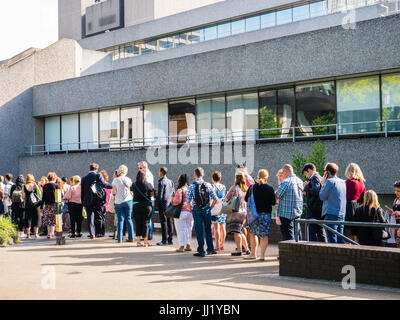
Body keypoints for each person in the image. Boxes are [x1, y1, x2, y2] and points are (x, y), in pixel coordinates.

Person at [186, 167, 218, 257]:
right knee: (208, 229)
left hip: (197, 210)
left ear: (195, 174)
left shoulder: (192, 186)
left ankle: (201, 251)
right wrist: (210, 208)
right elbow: (215, 199)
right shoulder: (208, 185)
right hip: (207, 209)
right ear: (202, 174)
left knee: (199, 230)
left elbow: (188, 201)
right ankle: (210, 249)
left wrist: (191, 209)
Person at [245, 169, 276, 260]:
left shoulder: (252, 187)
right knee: (264, 235)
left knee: (253, 234)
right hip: (265, 215)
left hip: (254, 215)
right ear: (267, 177)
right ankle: (262, 256)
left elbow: (247, 199)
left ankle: (253, 254)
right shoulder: (270, 188)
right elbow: (273, 202)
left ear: (258, 176)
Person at [81, 163, 112, 239]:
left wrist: (83, 202)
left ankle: (92, 234)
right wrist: (113, 186)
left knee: (90, 217)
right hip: (98, 199)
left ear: (89, 169)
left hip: (88, 200)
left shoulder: (84, 178)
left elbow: (82, 192)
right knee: (99, 216)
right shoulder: (98, 175)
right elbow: (104, 184)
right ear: (96, 169)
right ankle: (99, 233)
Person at [319, 163, 347, 244]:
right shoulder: (343, 182)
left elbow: (322, 196)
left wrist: (322, 184)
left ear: (327, 172)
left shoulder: (329, 182)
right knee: (340, 239)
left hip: (331, 214)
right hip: (341, 214)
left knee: (332, 241)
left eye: (324, 171)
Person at [275, 164, 304, 241]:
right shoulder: (300, 181)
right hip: (297, 212)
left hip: (286, 213)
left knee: (288, 236)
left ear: (285, 171)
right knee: (297, 233)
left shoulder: (286, 182)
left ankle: (291, 252)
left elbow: (277, 195)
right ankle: (299, 249)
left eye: (283, 173)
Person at [225, 172, 250, 256]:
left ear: (236, 178)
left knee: (237, 232)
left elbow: (226, 198)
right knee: (240, 231)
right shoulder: (246, 188)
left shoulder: (234, 188)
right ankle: (246, 249)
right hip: (244, 212)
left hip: (236, 212)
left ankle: (239, 251)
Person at [302, 163, 326, 242]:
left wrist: (306, 187)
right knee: (319, 231)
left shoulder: (314, 177)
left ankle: (312, 249)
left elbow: (316, 191)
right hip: (317, 209)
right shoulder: (318, 177)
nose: (306, 176)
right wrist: (307, 191)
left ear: (309, 170)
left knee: (312, 232)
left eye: (306, 174)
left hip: (314, 210)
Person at [131, 170, 154, 247]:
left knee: (137, 223)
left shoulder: (134, 184)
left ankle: (138, 242)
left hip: (136, 206)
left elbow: (132, 193)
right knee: (146, 223)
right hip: (147, 206)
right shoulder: (149, 184)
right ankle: (145, 242)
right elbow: (151, 194)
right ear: (145, 176)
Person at [171, 173, 193, 252]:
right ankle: (188, 245)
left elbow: (177, 201)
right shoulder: (191, 189)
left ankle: (181, 246)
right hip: (190, 212)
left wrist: (172, 198)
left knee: (181, 229)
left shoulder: (180, 190)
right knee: (188, 229)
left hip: (181, 212)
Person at [112, 165, 135, 243]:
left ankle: (120, 239)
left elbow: (114, 192)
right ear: (125, 171)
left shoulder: (115, 180)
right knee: (128, 219)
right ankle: (131, 237)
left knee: (120, 220)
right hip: (128, 201)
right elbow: (132, 190)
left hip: (118, 202)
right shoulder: (128, 179)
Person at [344, 163, 366, 240]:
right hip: (356, 207)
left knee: (346, 231)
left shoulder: (347, 182)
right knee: (354, 230)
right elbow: (363, 199)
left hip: (347, 206)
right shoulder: (361, 183)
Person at [156, 167, 175, 246]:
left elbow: (160, 196)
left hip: (162, 204)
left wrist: (157, 204)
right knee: (170, 221)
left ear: (161, 172)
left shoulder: (161, 182)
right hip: (169, 204)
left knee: (163, 222)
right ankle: (170, 239)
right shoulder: (171, 181)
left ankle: (164, 240)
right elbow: (173, 193)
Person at [210, 171, 227, 251]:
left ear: (213, 178)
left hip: (215, 209)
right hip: (222, 208)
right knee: (223, 227)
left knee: (216, 228)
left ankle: (217, 246)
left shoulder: (212, 186)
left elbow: (212, 198)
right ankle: (222, 244)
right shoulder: (223, 186)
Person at [138, 161, 155, 240]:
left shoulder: (147, 175)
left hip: (147, 199)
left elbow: (148, 187)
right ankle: (147, 234)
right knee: (147, 218)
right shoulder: (146, 174)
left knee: (147, 218)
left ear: (145, 167)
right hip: (147, 199)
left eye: (140, 168)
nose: (139, 169)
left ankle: (148, 235)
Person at [21, 174, 41, 239]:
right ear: (32, 179)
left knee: (28, 218)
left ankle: (28, 234)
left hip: (28, 203)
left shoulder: (24, 186)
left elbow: (23, 196)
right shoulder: (35, 185)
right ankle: (36, 234)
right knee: (37, 218)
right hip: (35, 203)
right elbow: (40, 194)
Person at [41, 172, 60, 239]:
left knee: (48, 219)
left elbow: (43, 197)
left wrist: (41, 206)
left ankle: (49, 233)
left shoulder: (45, 186)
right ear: (54, 178)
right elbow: (59, 196)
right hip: (54, 205)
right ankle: (52, 233)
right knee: (53, 219)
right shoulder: (56, 185)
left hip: (47, 205)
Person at [385, 181, 400, 248]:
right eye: (395, 190)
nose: (396, 192)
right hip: (395, 227)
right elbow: (394, 212)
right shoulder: (396, 200)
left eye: (398, 191)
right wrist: (391, 213)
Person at [99, 170, 111, 237]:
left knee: (99, 218)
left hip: (101, 203)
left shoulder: (101, 185)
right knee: (102, 218)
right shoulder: (108, 185)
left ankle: (100, 232)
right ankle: (102, 232)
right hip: (106, 204)